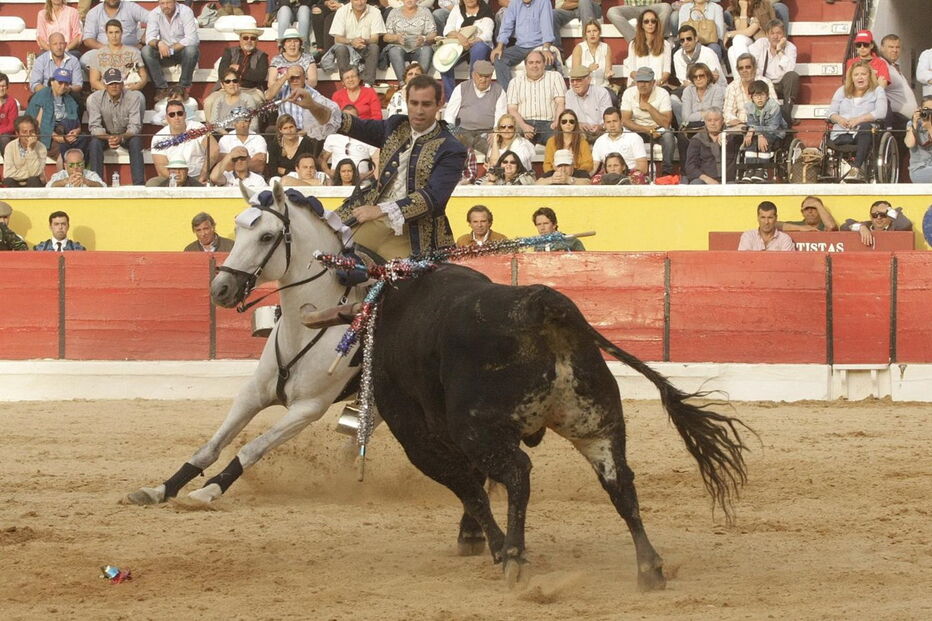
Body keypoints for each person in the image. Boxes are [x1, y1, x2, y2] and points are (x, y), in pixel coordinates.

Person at [289, 74, 466, 262]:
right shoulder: (396, 125)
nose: (419, 111)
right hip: (372, 215)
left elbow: (433, 197)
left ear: (439, 104)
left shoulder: (451, 148)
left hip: (416, 231)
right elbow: (348, 124)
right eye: (414, 103)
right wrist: (313, 106)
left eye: (426, 104)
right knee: (324, 249)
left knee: (399, 276)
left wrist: (380, 210)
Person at [826, 60, 887, 183]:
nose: (860, 77)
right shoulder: (842, 91)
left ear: (869, 76)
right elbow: (830, 113)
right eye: (856, 74)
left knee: (865, 127)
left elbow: (881, 112)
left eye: (863, 74)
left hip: (864, 133)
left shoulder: (877, 90)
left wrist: (859, 119)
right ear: (851, 77)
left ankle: (856, 168)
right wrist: (839, 119)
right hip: (842, 133)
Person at [86, 68, 146, 185]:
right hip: (105, 136)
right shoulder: (95, 98)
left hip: (125, 135)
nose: (114, 86)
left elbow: (135, 127)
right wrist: (109, 138)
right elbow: (94, 127)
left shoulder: (133, 97)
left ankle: (138, 184)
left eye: (117, 83)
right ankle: (96, 183)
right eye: (110, 83)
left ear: (122, 84)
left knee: (136, 141)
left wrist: (121, 137)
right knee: (94, 143)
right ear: (105, 85)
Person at [490, 0, 557, 92]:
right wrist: (499, 47)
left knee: (547, 60)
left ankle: (540, 93)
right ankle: (511, 94)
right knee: (498, 58)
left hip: (538, 46)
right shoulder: (514, 3)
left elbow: (547, 27)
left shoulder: (544, 2)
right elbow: (506, 26)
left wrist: (545, 48)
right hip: (520, 47)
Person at [149, 99, 219, 186]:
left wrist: (204, 173)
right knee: (152, 184)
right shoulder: (158, 137)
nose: (176, 117)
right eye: (172, 115)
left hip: (197, 176)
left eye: (180, 113)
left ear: (185, 115)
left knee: (209, 185)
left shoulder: (197, 128)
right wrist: (178, 182)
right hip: (172, 178)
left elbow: (214, 149)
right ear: (167, 118)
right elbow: (161, 167)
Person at [25, 68, 88, 164]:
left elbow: (76, 123)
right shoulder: (41, 96)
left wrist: (76, 131)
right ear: (52, 82)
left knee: (86, 140)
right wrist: (59, 138)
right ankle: (63, 172)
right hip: (46, 136)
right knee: (64, 150)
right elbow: (39, 125)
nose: (63, 86)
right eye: (60, 82)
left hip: (65, 134)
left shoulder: (69, 99)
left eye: (66, 84)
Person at [620, 67, 675, 178]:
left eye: (646, 81)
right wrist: (646, 129)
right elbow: (625, 121)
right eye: (639, 81)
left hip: (658, 129)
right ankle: (627, 172)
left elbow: (666, 123)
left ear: (653, 82)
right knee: (623, 135)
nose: (642, 85)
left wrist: (649, 108)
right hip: (636, 129)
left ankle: (666, 173)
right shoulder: (628, 93)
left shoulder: (663, 93)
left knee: (668, 136)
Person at [443, 60, 505, 156]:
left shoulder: (499, 91)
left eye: (487, 77)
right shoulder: (461, 88)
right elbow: (449, 115)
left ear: (491, 76)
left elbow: (500, 116)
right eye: (480, 76)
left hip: (487, 132)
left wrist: (495, 132)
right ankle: (489, 152)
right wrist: (452, 133)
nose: (483, 80)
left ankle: (487, 151)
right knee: (461, 136)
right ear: (473, 75)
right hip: (463, 130)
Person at [505, 50, 566, 146]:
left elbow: (560, 103)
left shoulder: (555, 77)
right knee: (516, 144)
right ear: (525, 65)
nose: (534, 66)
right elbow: (512, 109)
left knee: (559, 141)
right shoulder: (515, 82)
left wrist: (557, 122)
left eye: (538, 62)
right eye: (531, 63)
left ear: (544, 64)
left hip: (549, 124)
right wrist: (523, 126)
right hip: (523, 123)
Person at [142, 0, 200, 101]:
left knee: (192, 50)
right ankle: (161, 88)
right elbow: (149, 38)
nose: (165, 6)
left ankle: (182, 87)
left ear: (175, 2)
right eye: (162, 3)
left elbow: (192, 38)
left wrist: (171, 49)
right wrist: (159, 43)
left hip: (182, 52)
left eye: (168, 2)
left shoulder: (186, 11)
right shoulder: (154, 13)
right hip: (163, 52)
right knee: (146, 51)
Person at [438, 0, 495, 100]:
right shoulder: (457, 9)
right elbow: (447, 30)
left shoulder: (485, 10)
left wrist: (471, 42)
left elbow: (487, 34)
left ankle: (472, 93)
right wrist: (460, 37)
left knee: (479, 48)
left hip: (479, 45)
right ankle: (451, 99)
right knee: (442, 59)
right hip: (460, 45)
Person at [326, 0, 386, 87]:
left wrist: (364, 41)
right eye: (356, 0)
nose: (360, 2)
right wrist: (351, 41)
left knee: (374, 47)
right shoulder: (342, 11)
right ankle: (346, 83)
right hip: (348, 48)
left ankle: (368, 84)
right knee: (340, 48)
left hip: (365, 46)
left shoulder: (375, 12)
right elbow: (337, 39)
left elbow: (375, 39)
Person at [740, 79, 785, 183]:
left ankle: (762, 169)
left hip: (775, 133)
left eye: (762, 95)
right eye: (756, 96)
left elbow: (773, 127)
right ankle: (750, 169)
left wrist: (756, 132)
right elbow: (751, 123)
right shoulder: (749, 106)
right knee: (750, 140)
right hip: (758, 132)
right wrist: (755, 133)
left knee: (765, 140)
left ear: (767, 96)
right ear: (751, 97)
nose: (759, 98)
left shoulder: (774, 107)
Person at [677, 62, 725, 160]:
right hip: (691, 127)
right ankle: (685, 169)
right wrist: (705, 113)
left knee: (705, 134)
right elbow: (686, 117)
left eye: (701, 76)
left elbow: (715, 114)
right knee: (682, 136)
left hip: (710, 126)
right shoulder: (687, 91)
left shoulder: (717, 90)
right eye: (695, 77)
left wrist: (695, 115)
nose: (698, 79)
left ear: (707, 76)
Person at [86, 19, 148, 93]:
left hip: (128, 91)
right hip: (105, 92)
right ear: (106, 33)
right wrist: (112, 91)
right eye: (111, 32)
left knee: (139, 97)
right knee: (92, 99)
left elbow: (143, 75)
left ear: (121, 32)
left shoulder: (133, 52)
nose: (114, 36)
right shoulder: (98, 54)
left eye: (117, 32)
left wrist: (137, 86)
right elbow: (94, 81)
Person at [383, 0, 437, 84]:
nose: (409, 0)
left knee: (427, 50)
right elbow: (385, 37)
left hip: (420, 47)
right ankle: (403, 84)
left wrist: (424, 38)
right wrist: (396, 38)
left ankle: (419, 84)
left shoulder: (425, 11)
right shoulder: (394, 12)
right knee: (394, 50)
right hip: (400, 47)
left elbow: (433, 34)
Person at [320, 105, 380, 177]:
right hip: (336, 181)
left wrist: (365, 176)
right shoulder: (332, 137)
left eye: (352, 118)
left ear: (359, 119)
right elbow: (322, 160)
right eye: (346, 117)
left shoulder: (369, 137)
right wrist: (329, 173)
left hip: (362, 181)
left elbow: (377, 162)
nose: (349, 121)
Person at [879, 34, 918, 145]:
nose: (895, 50)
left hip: (907, 121)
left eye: (897, 47)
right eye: (891, 47)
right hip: (897, 121)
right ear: (882, 48)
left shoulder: (894, 66)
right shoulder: (881, 65)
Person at [684, 107, 737, 184]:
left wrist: (726, 133)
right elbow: (690, 167)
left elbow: (745, 128)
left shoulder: (733, 136)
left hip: (729, 181)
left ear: (722, 121)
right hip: (706, 181)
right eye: (709, 120)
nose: (712, 123)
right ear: (705, 122)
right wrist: (707, 180)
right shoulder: (697, 140)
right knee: (696, 184)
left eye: (716, 120)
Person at [82, 0, 150, 59]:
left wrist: (142, 42)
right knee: (85, 59)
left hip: (131, 50)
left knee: (145, 52)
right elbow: (88, 39)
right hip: (103, 51)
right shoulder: (94, 12)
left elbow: (152, 19)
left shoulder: (131, 7)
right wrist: (109, 50)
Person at [591, 107, 649, 176]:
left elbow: (643, 168)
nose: (612, 125)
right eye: (608, 122)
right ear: (604, 124)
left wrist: (623, 176)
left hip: (629, 176)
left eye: (615, 121)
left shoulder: (634, 138)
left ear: (621, 122)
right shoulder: (599, 141)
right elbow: (594, 167)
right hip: (608, 177)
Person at [621, 9, 672, 87]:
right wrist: (643, 83)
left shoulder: (665, 44)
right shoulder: (633, 44)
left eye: (653, 21)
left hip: (658, 85)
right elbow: (632, 71)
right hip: (638, 85)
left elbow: (666, 71)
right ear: (642, 25)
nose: (650, 24)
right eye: (646, 21)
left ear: (657, 24)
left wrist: (659, 82)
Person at [214, 27, 270, 98]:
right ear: (240, 39)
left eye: (253, 38)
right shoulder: (229, 52)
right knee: (209, 101)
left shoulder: (262, 56)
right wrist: (249, 74)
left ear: (257, 41)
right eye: (245, 38)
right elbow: (222, 72)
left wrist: (239, 68)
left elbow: (260, 77)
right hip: (227, 88)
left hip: (251, 90)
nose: (249, 41)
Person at [724, 53, 776, 128]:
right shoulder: (732, 87)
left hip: (763, 126)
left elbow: (774, 107)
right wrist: (740, 125)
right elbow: (728, 113)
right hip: (740, 127)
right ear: (738, 71)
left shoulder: (766, 82)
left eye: (748, 67)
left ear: (755, 68)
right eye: (741, 68)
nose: (744, 70)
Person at [724, 0, 775, 76]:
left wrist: (729, 34)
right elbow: (741, 30)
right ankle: (741, 79)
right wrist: (743, 9)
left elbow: (749, 32)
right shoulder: (737, 7)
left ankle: (747, 74)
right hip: (750, 43)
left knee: (737, 41)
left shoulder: (762, 5)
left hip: (762, 42)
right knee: (731, 50)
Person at [563, 65, 612, 141]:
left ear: (589, 80)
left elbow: (609, 117)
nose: (575, 83)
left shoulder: (601, 93)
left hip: (601, 132)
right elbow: (568, 117)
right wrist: (578, 124)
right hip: (579, 133)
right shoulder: (569, 94)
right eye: (572, 81)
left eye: (579, 80)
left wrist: (601, 126)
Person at [266, 113, 322, 178]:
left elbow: (308, 169)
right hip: (280, 179)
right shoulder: (274, 145)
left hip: (302, 179)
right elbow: (273, 170)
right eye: (285, 128)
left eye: (291, 127)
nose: (289, 131)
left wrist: (286, 171)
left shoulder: (306, 143)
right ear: (280, 130)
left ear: (296, 128)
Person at [209, 70, 263, 134]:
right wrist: (226, 134)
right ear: (222, 85)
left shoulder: (247, 99)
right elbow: (213, 123)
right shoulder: (219, 100)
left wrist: (238, 135)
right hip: (223, 134)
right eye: (227, 81)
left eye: (235, 81)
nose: (232, 84)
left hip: (244, 134)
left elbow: (254, 124)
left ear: (239, 83)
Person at [841, 200, 913, 248]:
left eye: (883, 214)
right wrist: (860, 227)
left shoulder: (895, 227)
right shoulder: (866, 225)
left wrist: (889, 210)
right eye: (874, 215)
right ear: (870, 216)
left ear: (889, 216)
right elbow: (844, 227)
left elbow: (906, 224)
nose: (878, 218)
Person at [267, 27, 319, 91]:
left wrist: (296, 90)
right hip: (281, 93)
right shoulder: (276, 60)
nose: (292, 44)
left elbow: (313, 81)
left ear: (300, 44)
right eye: (288, 41)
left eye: (296, 41)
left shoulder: (308, 58)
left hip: (303, 93)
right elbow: (271, 83)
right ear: (284, 45)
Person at [218, 108, 268, 174]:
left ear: (250, 122)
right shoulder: (225, 139)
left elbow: (259, 166)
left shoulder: (259, 139)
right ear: (233, 123)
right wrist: (250, 162)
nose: (242, 125)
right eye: (238, 121)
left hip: (254, 177)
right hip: (229, 177)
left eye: (245, 121)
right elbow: (223, 165)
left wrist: (232, 162)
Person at [268, 65, 317, 132]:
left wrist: (303, 132)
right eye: (292, 77)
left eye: (297, 77)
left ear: (304, 77)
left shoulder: (313, 94)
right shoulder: (283, 90)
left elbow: (319, 121)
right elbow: (268, 96)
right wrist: (285, 76)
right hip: (285, 131)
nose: (294, 80)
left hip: (306, 132)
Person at [543, 109, 592, 175]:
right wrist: (556, 173)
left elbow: (588, 163)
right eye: (564, 121)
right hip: (555, 174)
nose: (568, 124)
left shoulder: (583, 143)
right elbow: (547, 164)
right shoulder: (551, 142)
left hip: (577, 174)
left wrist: (574, 172)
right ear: (560, 124)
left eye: (571, 121)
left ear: (575, 124)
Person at [2, 116, 47, 188]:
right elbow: (8, 173)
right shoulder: (10, 147)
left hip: (33, 182)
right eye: (24, 132)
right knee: (8, 181)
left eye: (31, 131)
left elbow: (35, 173)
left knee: (33, 180)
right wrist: (28, 173)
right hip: (15, 182)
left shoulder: (41, 148)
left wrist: (31, 149)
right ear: (17, 133)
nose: (28, 135)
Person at [571, 20, 613, 93]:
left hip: (603, 87)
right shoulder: (579, 48)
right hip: (584, 88)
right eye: (589, 31)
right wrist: (588, 70)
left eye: (595, 31)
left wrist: (609, 74)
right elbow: (575, 74)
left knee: (612, 97)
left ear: (599, 32)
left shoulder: (606, 47)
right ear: (585, 34)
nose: (592, 34)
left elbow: (607, 72)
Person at [905, 96, 932, 183]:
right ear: (920, 110)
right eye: (926, 109)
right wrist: (914, 123)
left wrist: (930, 128)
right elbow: (909, 144)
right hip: (919, 168)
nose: (929, 113)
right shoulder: (912, 123)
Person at [0, 73, 21, 153]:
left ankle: (7, 160)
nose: (1, 89)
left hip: (6, 135)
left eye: (3, 86)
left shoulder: (11, 102)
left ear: (7, 87)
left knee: (4, 139)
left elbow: (12, 125)